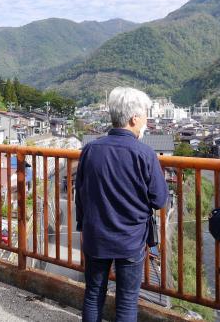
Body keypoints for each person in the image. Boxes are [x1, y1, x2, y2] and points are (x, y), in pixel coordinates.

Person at [75, 87, 168, 322]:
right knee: (127, 300)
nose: (147, 120)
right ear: (134, 118)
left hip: (96, 235)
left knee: (93, 293)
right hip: (131, 239)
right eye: (145, 115)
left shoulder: (90, 149)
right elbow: (159, 199)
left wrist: (82, 225)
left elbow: (80, 192)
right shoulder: (145, 153)